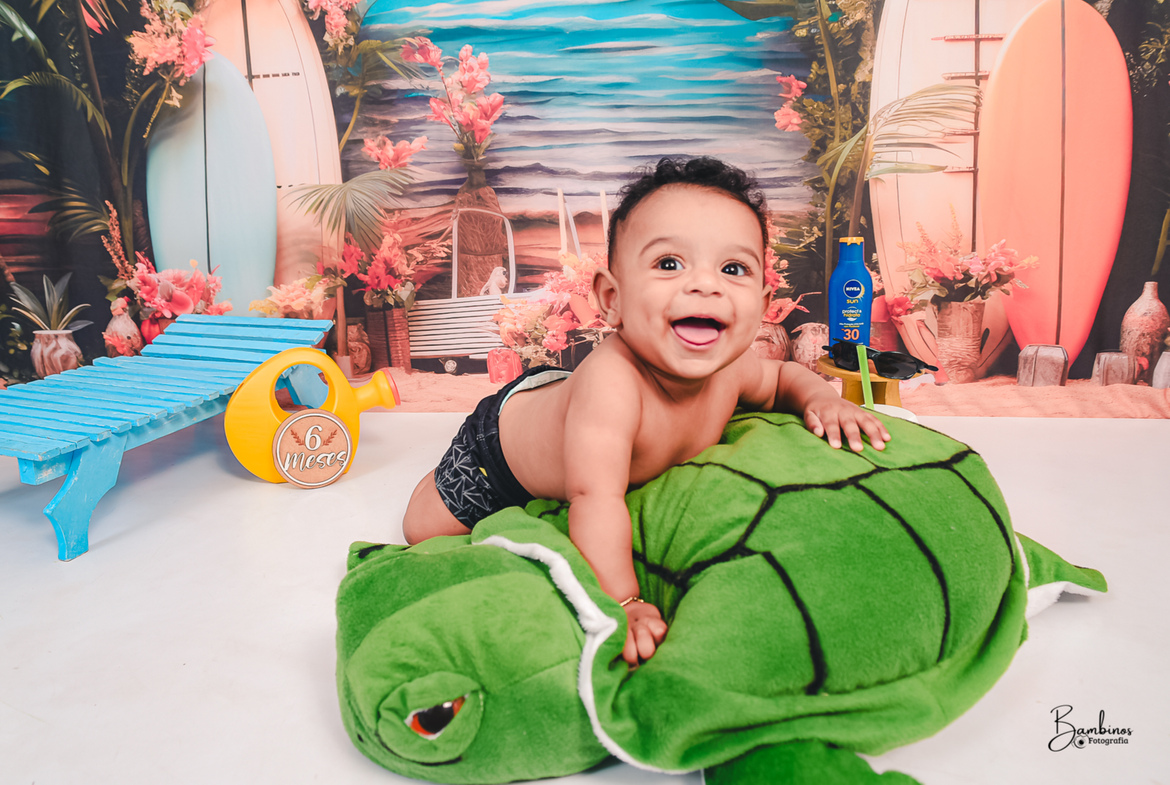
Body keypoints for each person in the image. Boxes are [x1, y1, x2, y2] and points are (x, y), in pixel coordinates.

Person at [403, 157, 890, 665]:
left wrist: (823, 401)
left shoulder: (733, 368)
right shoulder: (614, 384)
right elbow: (595, 499)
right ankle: (434, 478)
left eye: (733, 269)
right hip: (497, 456)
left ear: (764, 303)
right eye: (669, 264)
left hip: (566, 411)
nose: (706, 285)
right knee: (421, 529)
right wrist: (624, 601)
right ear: (611, 299)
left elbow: (783, 378)